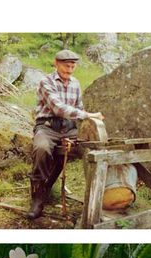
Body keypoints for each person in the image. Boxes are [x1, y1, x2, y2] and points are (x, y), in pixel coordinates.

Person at [27, 49, 104, 219]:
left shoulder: (75, 83)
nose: (69, 70)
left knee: (89, 149)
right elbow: (59, 108)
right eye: (65, 66)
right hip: (47, 127)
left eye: (72, 66)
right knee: (42, 149)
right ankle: (38, 198)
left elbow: (79, 108)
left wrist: (87, 124)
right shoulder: (45, 82)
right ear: (56, 63)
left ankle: (97, 197)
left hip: (69, 128)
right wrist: (89, 115)